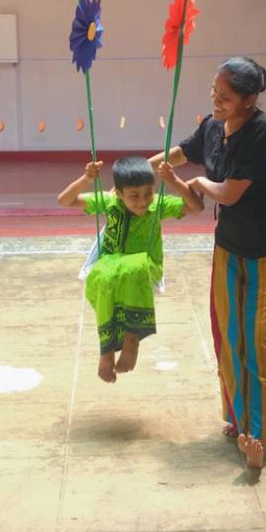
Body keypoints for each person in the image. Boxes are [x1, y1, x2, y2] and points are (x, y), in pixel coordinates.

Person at [151, 57, 266, 472]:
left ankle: (257, 431)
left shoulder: (263, 132)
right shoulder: (213, 127)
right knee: (230, 332)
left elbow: (229, 193)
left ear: (250, 100)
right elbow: (185, 151)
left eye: (226, 97)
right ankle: (238, 416)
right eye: (214, 93)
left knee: (264, 339)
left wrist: (198, 183)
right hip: (232, 246)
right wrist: (147, 167)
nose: (216, 101)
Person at [58, 154, 203, 384]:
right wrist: (86, 178)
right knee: (101, 276)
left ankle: (131, 338)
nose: (142, 202)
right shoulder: (109, 201)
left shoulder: (157, 205)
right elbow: (64, 200)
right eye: (134, 196)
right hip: (113, 267)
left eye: (147, 193)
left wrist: (174, 180)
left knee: (132, 268)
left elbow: (196, 206)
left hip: (146, 267)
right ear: (118, 192)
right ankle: (106, 351)